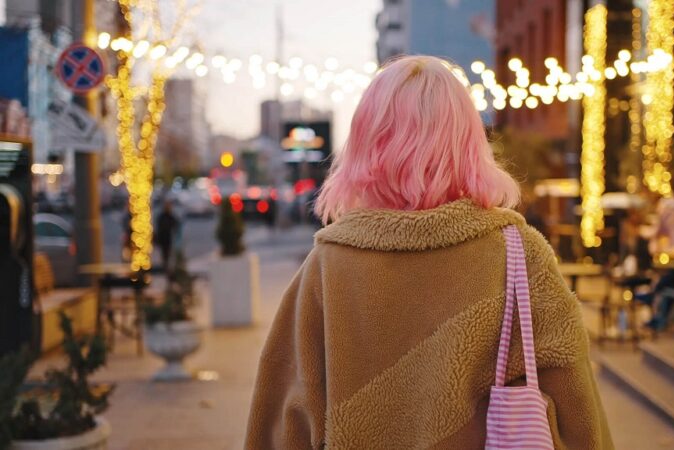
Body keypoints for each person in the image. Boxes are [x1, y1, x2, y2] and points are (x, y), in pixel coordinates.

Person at [245, 56, 612, 449]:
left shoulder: (328, 266)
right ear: (470, 141)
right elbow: (576, 406)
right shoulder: (519, 253)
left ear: (366, 143)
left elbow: (283, 416)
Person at [155, 200, 179, 271]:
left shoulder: (169, 216)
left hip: (168, 237)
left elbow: (175, 224)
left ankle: (166, 265)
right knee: (165, 252)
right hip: (164, 237)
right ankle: (165, 265)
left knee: (167, 252)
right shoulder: (163, 216)